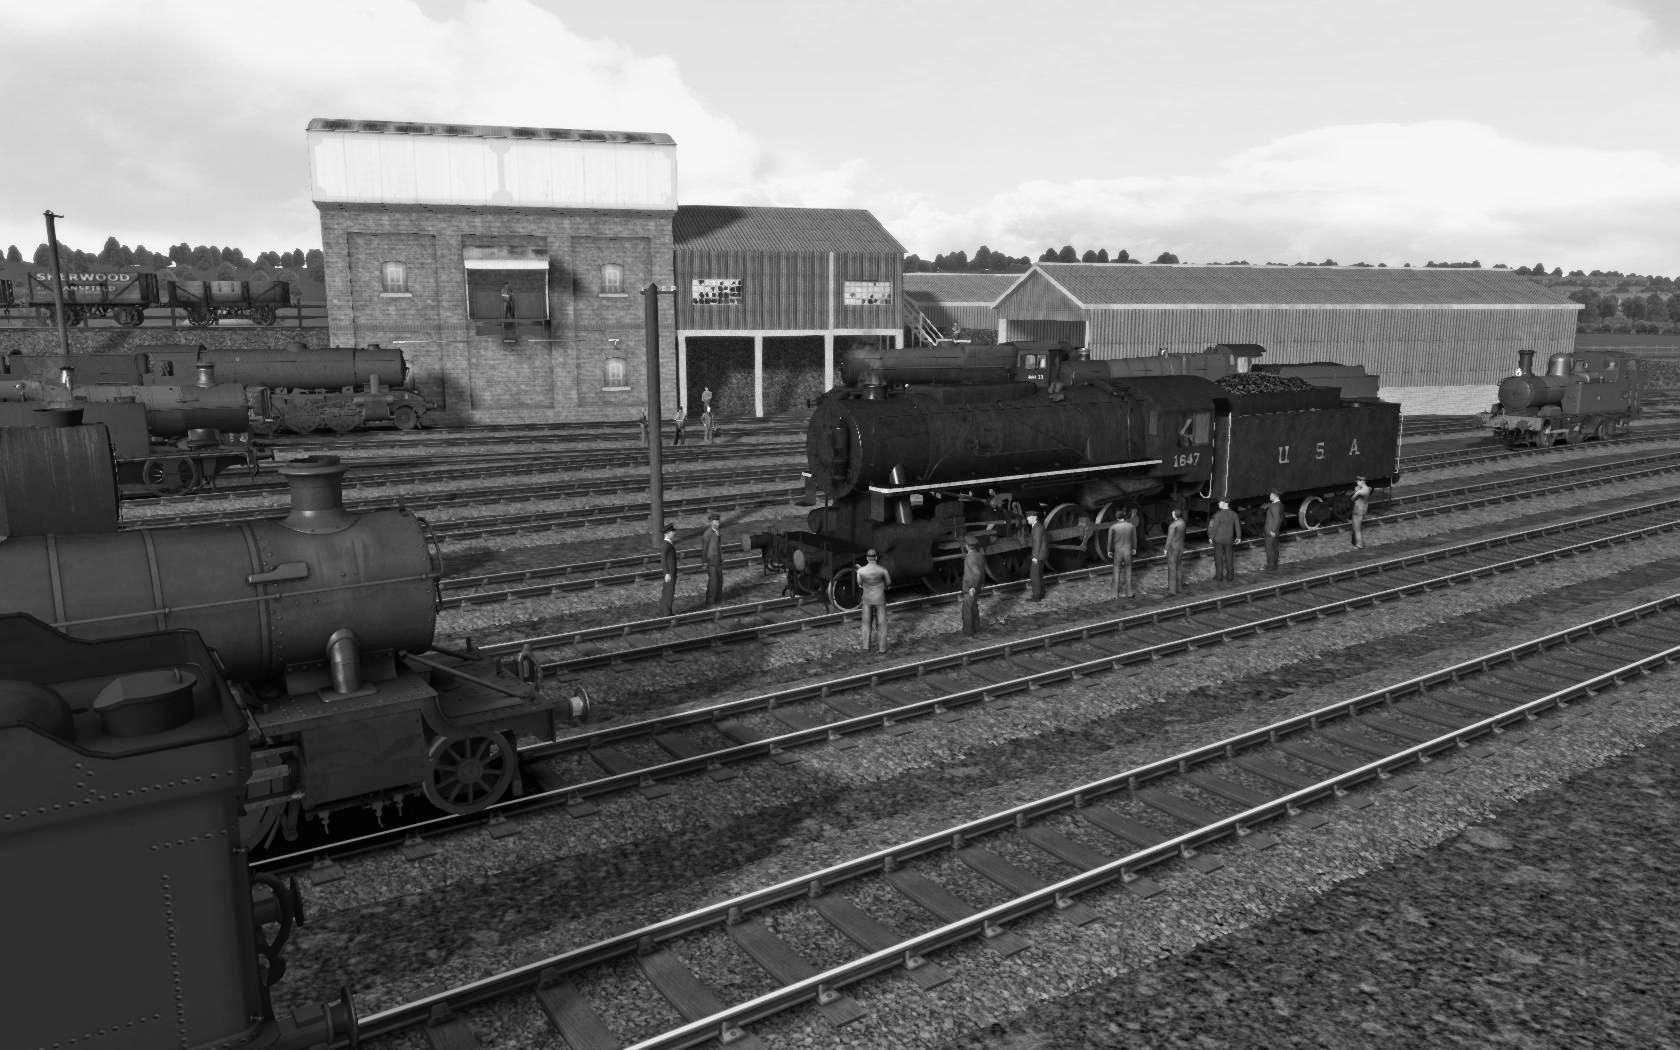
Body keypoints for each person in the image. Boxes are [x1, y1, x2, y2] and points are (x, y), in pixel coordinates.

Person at [856, 549, 892, 653]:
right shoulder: (882, 570)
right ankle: (882, 649)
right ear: (876, 557)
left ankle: (866, 647)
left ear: (867, 558)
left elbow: (859, 583)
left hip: (867, 600)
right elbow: (888, 583)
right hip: (880, 599)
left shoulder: (861, 571)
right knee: (882, 624)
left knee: (866, 623)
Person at [1108, 508, 1137, 599]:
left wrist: (1109, 551)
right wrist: (1134, 548)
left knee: (1116, 571)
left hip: (1118, 552)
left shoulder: (1113, 527)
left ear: (1117, 518)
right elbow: (1134, 539)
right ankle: (1129, 593)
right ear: (1124, 516)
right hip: (1128, 551)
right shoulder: (1131, 526)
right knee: (1128, 571)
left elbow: (1110, 541)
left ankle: (1115, 595)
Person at [960, 534, 986, 636]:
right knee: (974, 608)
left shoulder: (970, 558)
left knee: (967, 611)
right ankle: (977, 628)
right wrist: (982, 583)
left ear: (967, 546)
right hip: (977, 586)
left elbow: (977, 573)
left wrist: (972, 587)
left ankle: (968, 632)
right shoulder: (979, 555)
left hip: (970, 588)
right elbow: (982, 571)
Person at [1208, 500, 1241, 583]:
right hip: (1229, 539)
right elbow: (1237, 526)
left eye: (1220, 502)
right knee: (1229, 557)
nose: (1218, 503)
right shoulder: (1234, 514)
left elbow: (1215, 528)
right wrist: (1238, 537)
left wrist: (1211, 537)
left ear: (1225, 503)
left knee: (1218, 558)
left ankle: (1219, 577)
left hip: (1218, 540)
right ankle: (1230, 577)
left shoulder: (1218, 515)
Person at [701, 513, 724, 606]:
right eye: (715, 521)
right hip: (711, 561)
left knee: (720, 580)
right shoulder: (707, 534)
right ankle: (710, 601)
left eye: (718, 521)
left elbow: (719, 546)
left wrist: (721, 558)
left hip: (718, 560)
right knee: (713, 582)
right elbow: (704, 549)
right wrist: (704, 561)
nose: (717, 523)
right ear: (711, 522)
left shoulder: (717, 532)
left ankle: (718, 599)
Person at [1164, 508, 1187, 596]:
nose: (1172, 514)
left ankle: (1172, 590)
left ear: (1175, 515)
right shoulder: (1183, 523)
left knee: (1172, 568)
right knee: (1178, 567)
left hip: (1173, 549)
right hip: (1180, 547)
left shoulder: (1173, 525)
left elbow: (1169, 538)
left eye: (1173, 513)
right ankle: (1179, 588)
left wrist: (1166, 548)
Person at [1026, 511, 1048, 600]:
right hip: (1041, 554)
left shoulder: (1037, 528)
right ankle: (1041, 593)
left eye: (1029, 518)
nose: (1027, 519)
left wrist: (1035, 557)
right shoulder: (1037, 526)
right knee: (1039, 575)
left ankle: (1036, 596)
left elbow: (1037, 543)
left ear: (1034, 518)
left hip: (1038, 555)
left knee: (1034, 576)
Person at [659, 522, 678, 616]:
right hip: (669, 573)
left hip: (670, 572)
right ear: (668, 533)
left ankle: (664, 610)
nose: (674, 533)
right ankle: (667, 613)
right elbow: (663, 560)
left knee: (667, 591)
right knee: (669, 592)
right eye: (672, 532)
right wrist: (666, 573)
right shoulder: (666, 545)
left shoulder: (668, 543)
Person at [1263, 491, 1285, 571]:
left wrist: (1273, 531)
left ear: (1275, 496)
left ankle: (1271, 567)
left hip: (1271, 531)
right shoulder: (1279, 505)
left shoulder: (1275, 506)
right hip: (1273, 531)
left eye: (1271, 495)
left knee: (1270, 549)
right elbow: (1281, 518)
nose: (1270, 496)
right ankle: (1274, 565)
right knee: (1274, 547)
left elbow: (1277, 519)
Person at [1351, 476, 1371, 548]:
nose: (1357, 483)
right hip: (1362, 509)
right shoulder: (1367, 489)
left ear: (1362, 482)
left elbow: (1352, 498)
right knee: (1356, 527)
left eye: (1358, 481)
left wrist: (1356, 491)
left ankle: (1359, 545)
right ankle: (1354, 542)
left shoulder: (1361, 491)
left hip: (1358, 510)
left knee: (1357, 529)